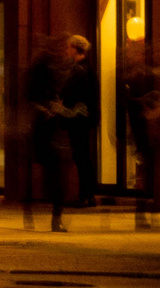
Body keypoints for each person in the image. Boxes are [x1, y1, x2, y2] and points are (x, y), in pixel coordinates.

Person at [27, 34, 77, 232]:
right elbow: (33, 97)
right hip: (46, 126)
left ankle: (51, 214)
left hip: (49, 126)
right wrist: (48, 109)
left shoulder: (51, 67)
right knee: (55, 173)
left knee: (53, 173)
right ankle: (55, 216)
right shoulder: (44, 69)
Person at [62, 35, 97, 207]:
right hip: (84, 119)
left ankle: (86, 195)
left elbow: (71, 94)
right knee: (83, 158)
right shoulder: (87, 68)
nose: (67, 50)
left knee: (81, 158)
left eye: (69, 47)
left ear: (76, 49)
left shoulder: (79, 70)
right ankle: (87, 195)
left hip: (78, 119)